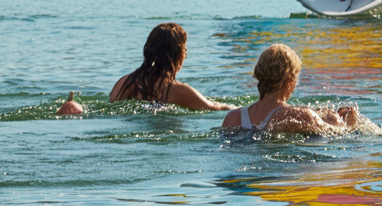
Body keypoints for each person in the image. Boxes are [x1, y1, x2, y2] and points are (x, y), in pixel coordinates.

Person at [221, 44, 365, 133]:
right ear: (290, 80)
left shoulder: (233, 117)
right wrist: (349, 124)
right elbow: (339, 134)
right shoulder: (299, 116)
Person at [110, 22, 235, 110]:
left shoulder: (122, 84)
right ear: (176, 54)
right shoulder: (178, 91)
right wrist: (239, 109)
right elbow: (213, 107)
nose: (186, 54)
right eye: (184, 49)